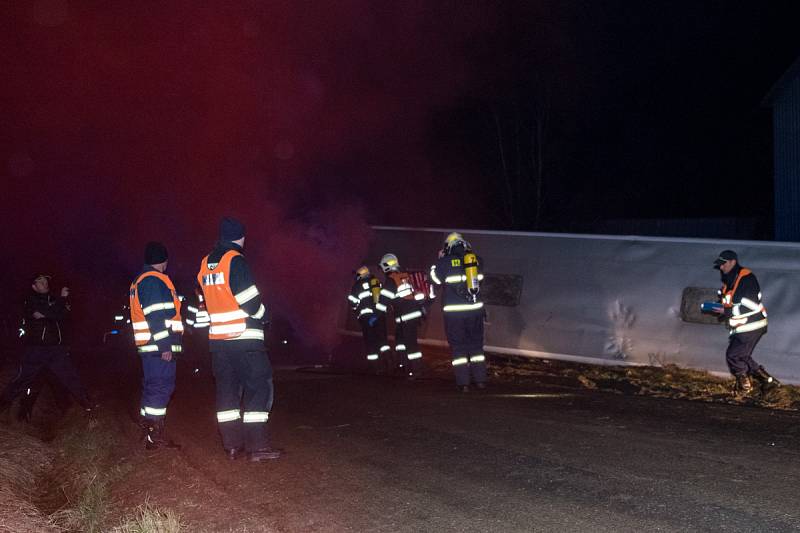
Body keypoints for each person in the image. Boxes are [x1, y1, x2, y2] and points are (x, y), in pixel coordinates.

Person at [197, 216, 280, 462]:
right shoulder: (236, 260)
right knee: (259, 387)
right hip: (245, 339)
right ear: (240, 237)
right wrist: (265, 316)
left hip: (219, 342)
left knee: (227, 393)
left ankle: (232, 445)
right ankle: (258, 447)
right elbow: (250, 301)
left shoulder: (204, 263)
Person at [0, 274, 93, 416]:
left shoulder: (55, 300)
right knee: (22, 379)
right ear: (34, 287)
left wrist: (60, 304)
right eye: (40, 281)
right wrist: (60, 302)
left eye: (45, 281)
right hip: (35, 349)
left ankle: (89, 405)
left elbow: (63, 316)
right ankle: (4, 405)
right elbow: (43, 314)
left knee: (70, 376)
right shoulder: (30, 300)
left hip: (56, 349)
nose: (44, 283)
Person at [129, 242, 183, 450]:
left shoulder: (141, 280)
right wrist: (165, 346)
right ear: (164, 261)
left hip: (150, 347)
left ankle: (147, 431)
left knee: (152, 388)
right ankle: (154, 436)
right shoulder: (153, 281)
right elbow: (156, 316)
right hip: (157, 347)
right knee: (161, 388)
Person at [710, 250, 780, 396]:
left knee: (733, 355)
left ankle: (745, 387)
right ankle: (768, 382)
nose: (721, 268)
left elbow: (750, 304)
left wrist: (726, 311)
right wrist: (717, 307)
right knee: (743, 356)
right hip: (743, 326)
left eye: (723, 264)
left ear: (733, 262)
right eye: (720, 265)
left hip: (752, 324)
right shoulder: (730, 281)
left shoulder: (746, 278)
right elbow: (728, 301)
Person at [430, 232, 488, 392]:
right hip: (475, 311)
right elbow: (479, 281)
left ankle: (464, 384)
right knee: (476, 346)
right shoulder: (476, 260)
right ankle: (481, 380)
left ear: (448, 247)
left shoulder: (445, 262)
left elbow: (433, 279)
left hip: (455, 314)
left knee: (458, 347)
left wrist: (439, 260)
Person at [379, 253, 425, 379]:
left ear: (387, 266)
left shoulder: (391, 279)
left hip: (406, 316)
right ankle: (403, 365)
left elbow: (384, 300)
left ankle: (416, 370)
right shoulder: (405, 275)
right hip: (410, 315)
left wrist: (376, 315)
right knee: (400, 341)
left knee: (410, 343)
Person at [348, 265, 390, 374]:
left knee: (370, 342)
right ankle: (389, 363)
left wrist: (357, 311)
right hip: (379, 316)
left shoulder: (357, 286)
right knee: (382, 341)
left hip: (366, 318)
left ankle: (375, 368)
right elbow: (382, 298)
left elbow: (352, 302)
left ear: (360, 275)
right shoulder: (376, 282)